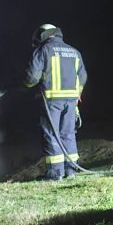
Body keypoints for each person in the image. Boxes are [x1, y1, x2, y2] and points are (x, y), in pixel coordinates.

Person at [23, 24, 87, 180]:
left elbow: (31, 78)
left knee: (52, 135)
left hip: (52, 101)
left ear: (42, 36)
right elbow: (82, 76)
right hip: (71, 101)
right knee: (68, 134)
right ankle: (71, 171)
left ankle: (55, 174)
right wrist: (77, 92)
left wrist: (24, 85)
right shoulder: (74, 51)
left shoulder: (44, 50)